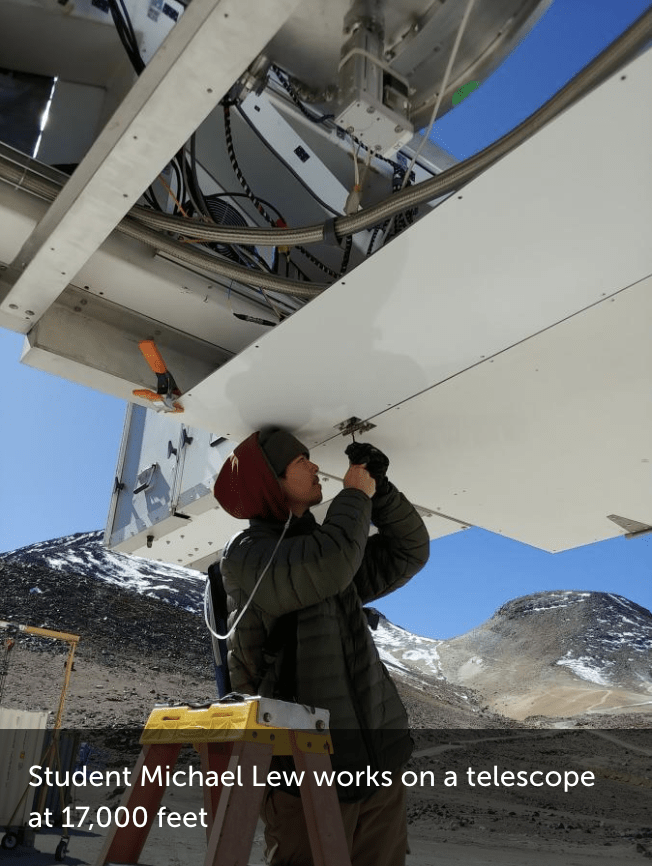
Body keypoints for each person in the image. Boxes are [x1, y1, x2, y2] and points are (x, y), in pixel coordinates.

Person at [213, 427, 430, 866]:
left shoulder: (328, 550)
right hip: (304, 777)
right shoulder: (248, 555)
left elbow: (410, 550)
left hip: (376, 767)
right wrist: (355, 497)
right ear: (271, 481)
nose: (315, 466)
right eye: (300, 462)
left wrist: (380, 490)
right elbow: (327, 565)